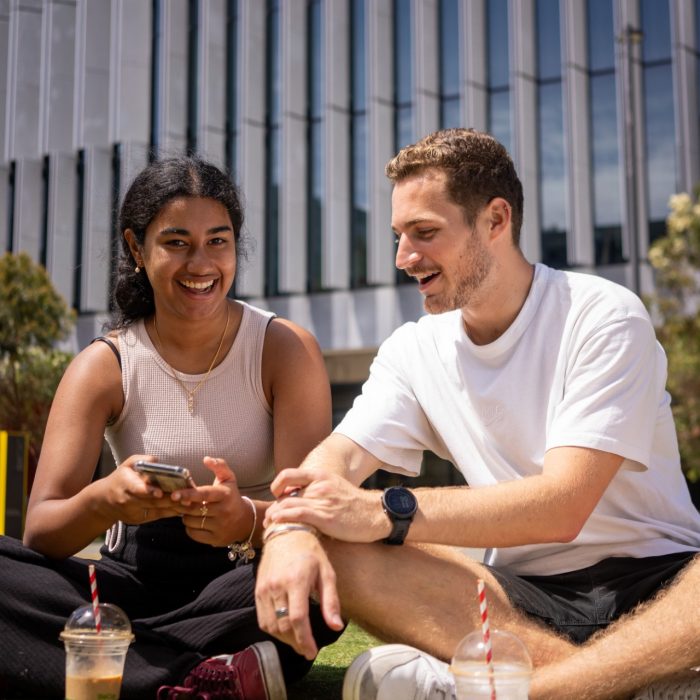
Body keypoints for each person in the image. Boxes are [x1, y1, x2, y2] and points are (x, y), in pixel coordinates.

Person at [254, 128, 700, 700]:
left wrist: (384, 510)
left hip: (658, 583)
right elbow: (336, 459)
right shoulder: (413, 350)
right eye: (399, 235)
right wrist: (290, 530)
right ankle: (626, 680)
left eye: (425, 233)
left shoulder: (602, 315)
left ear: (495, 220)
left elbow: (563, 506)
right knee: (337, 547)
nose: (403, 258)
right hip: (518, 598)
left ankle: (526, 690)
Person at [0, 156, 340, 700]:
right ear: (137, 249)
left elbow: (315, 511)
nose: (200, 263)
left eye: (218, 241)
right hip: (130, 578)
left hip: (243, 574)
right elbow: (41, 530)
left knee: (329, 570)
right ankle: (202, 675)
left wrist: (247, 519)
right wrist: (106, 499)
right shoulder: (104, 364)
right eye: (177, 242)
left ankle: (121, 659)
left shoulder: (284, 349)